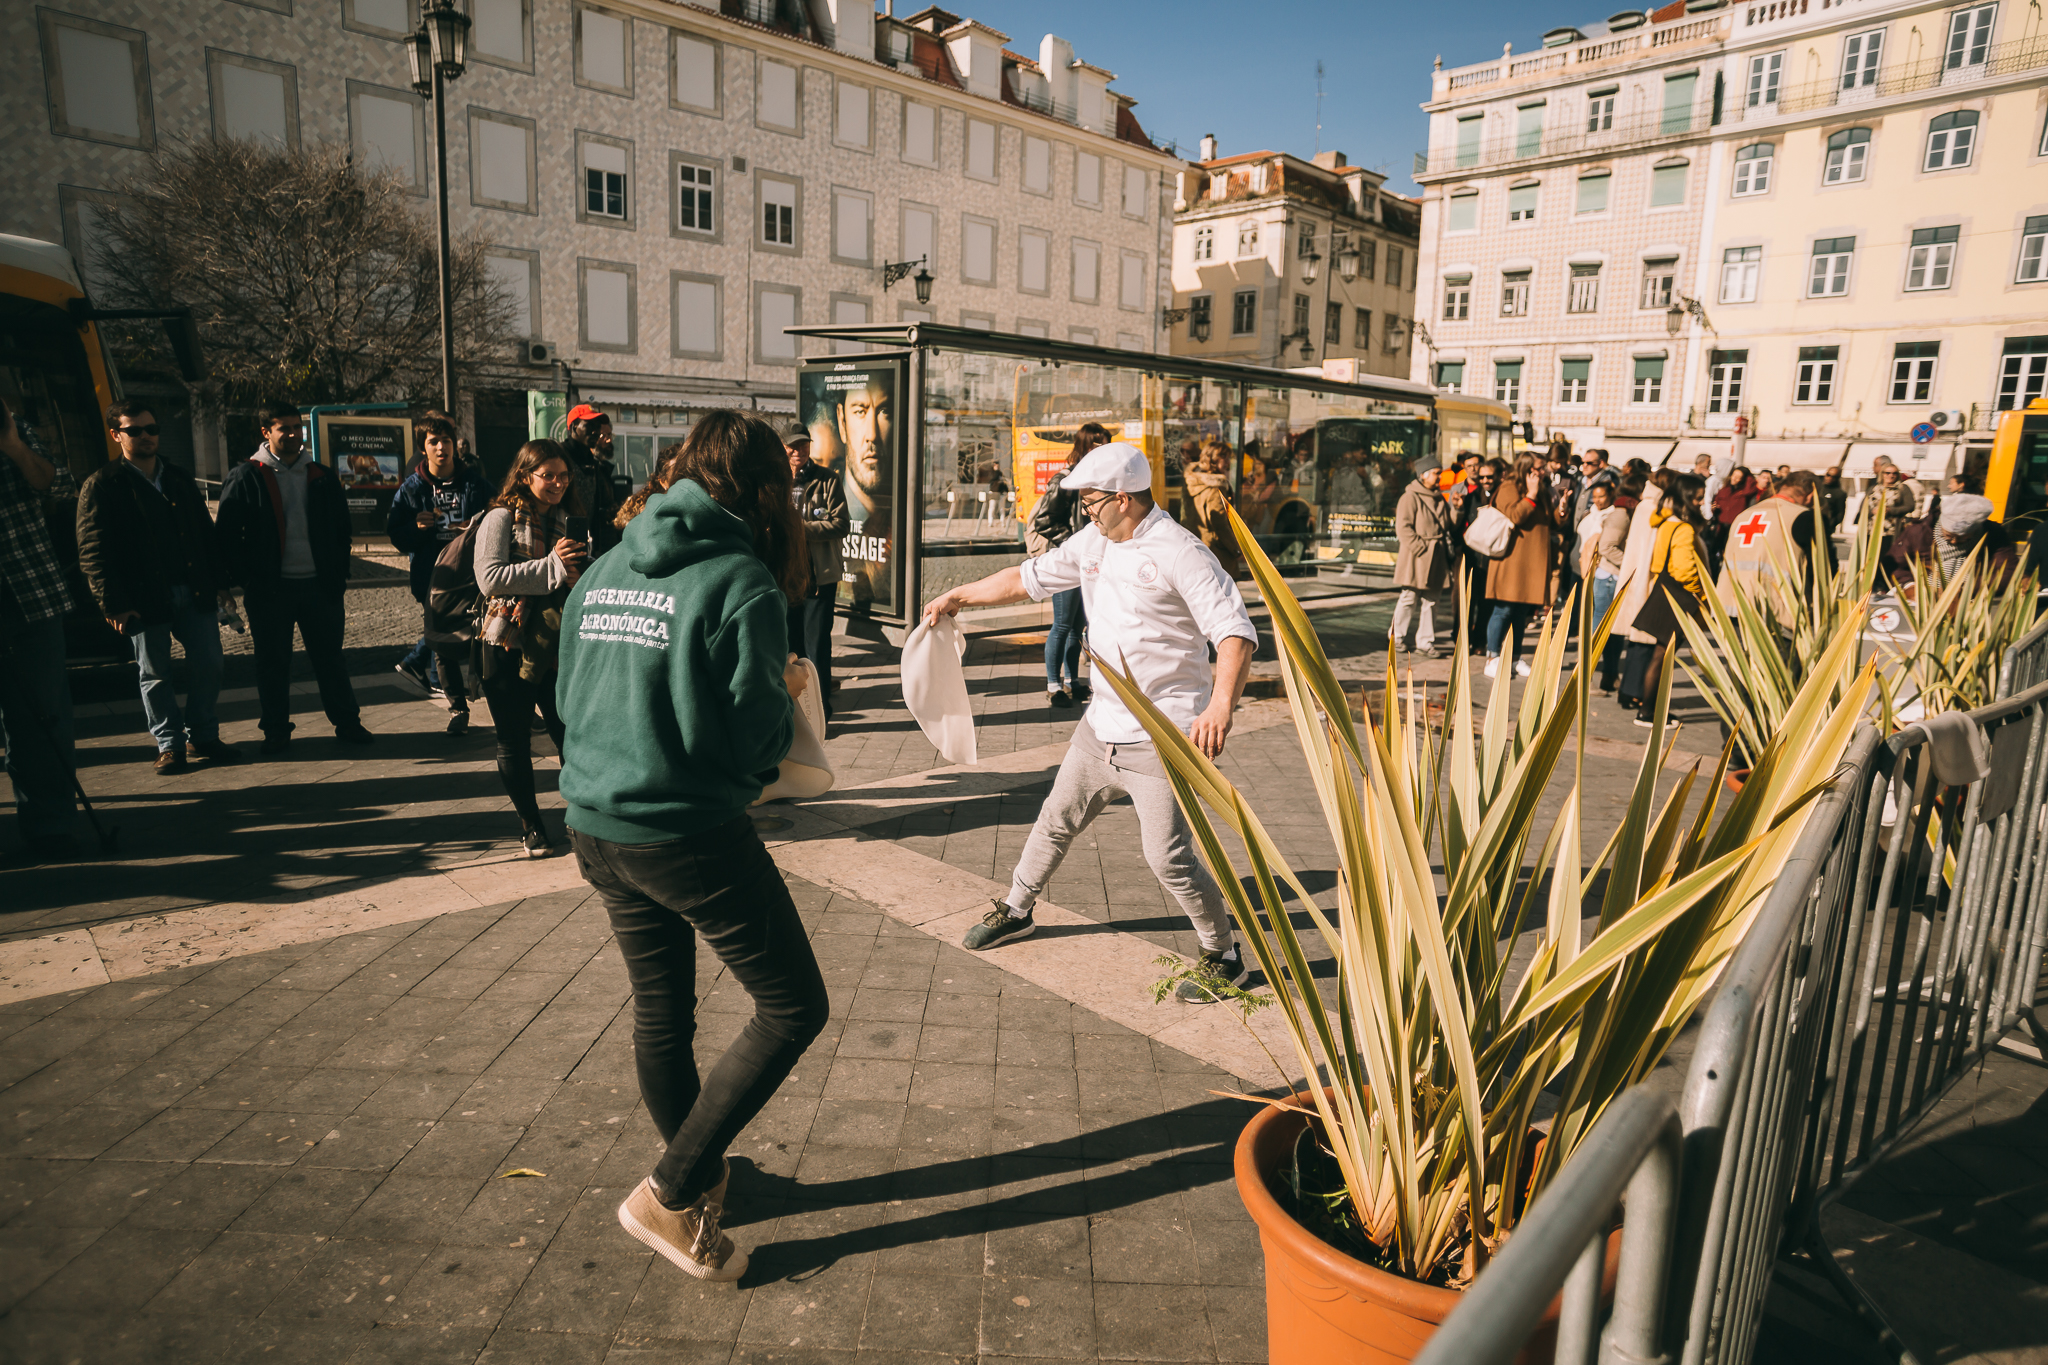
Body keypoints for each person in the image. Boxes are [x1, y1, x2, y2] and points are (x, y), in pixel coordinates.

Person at [554, 411, 827, 1283]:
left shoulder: (606, 562)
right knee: (793, 1006)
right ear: (764, 489)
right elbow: (755, 738)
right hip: (685, 830)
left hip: (594, 823)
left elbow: (565, 696)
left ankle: (699, 1168)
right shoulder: (739, 577)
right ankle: (669, 1193)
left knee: (662, 1012)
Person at [922, 441, 1258, 1002]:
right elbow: (1025, 578)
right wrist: (960, 595)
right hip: (1099, 725)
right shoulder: (1094, 541)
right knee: (1056, 817)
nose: (1082, 509)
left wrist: (1220, 706)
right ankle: (1017, 907)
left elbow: (1233, 632)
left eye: (1090, 500)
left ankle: (1224, 954)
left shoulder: (1181, 552)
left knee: (1167, 858)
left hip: (1162, 735)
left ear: (1123, 499)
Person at [77, 401, 241, 773]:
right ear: (116, 435)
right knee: (154, 674)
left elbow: (204, 534)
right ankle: (170, 744)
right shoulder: (103, 485)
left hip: (194, 591)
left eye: (152, 429)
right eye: (135, 430)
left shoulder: (179, 478)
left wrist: (221, 584)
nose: (146, 436)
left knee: (211, 665)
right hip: (144, 598)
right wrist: (112, 604)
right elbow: (93, 552)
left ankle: (203, 733)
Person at [217, 402, 372, 755]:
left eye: (296, 427)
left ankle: (347, 721)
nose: (292, 434)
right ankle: (275, 730)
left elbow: (341, 530)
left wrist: (337, 573)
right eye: (283, 428)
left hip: (320, 586)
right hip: (271, 589)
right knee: (273, 662)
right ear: (266, 433)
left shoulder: (321, 475)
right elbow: (226, 535)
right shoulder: (247, 475)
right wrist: (245, 578)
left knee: (330, 658)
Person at [473, 440, 589, 856]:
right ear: (526, 476)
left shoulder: (567, 520)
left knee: (569, 734)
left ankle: (583, 816)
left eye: (563, 476)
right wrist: (555, 567)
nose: (558, 484)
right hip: (507, 639)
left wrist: (580, 574)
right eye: (548, 476)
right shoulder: (500, 518)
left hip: (557, 642)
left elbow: (576, 578)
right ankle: (531, 824)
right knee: (513, 739)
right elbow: (489, 579)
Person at [0, 397, 81, 861]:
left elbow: (59, 485)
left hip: (30, 596)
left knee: (44, 718)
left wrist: (12, 445)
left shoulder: (14, 429)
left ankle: (50, 824)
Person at [388, 414, 492, 734]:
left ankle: (498, 696)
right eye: (433, 442)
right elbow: (395, 532)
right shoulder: (412, 487)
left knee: (487, 637)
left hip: (474, 577)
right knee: (441, 643)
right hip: (433, 578)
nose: (441, 447)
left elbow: (499, 514)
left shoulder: (474, 482)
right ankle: (458, 707)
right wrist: (415, 528)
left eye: (446, 440)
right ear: (424, 447)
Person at [1029, 423, 1111, 707]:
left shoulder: (1098, 481)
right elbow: (1044, 521)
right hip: (1067, 561)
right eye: (1097, 444)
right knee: (1062, 624)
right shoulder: (1065, 479)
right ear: (1084, 446)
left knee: (1079, 625)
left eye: (1106, 444)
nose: (1102, 449)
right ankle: (1053, 685)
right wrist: (1076, 544)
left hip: (1088, 564)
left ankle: (1072, 681)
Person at [1620, 474, 1711, 727]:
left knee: (1660, 655)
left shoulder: (1665, 523)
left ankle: (1649, 711)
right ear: (1687, 498)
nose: (1702, 502)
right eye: (1698, 497)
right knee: (1662, 657)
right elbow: (1685, 570)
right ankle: (1649, 713)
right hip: (1680, 596)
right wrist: (1700, 595)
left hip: (1665, 590)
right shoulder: (1682, 528)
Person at [785, 423, 847, 714]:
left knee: (818, 642)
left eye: (803, 445)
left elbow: (841, 523)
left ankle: (822, 709)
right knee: (791, 643)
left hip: (819, 574)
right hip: (786, 574)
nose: (799, 451)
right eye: (793, 446)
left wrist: (800, 528)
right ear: (784, 448)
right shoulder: (776, 480)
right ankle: (797, 704)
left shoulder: (827, 479)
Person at [1482, 453, 1557, 678]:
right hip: (1512, 561)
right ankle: (1493, 657)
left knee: (1521, 613)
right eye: (1538, 468)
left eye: (1543, 468)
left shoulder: (1542, 487)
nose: (1542, 472)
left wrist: (1560, 512)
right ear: (1526, 468)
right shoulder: (1509, 487)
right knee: (1503, 610)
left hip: (1532, 561)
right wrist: (1531, 495)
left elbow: (1547, 520)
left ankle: (1514, 657)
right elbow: (1514, 515)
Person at [1719, 468, 1818, 630]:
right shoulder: (1802, 516)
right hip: (1774, 611)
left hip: (1730, 606)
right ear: (1810, 496)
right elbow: (1821, 568)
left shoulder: (1745, 514)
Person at [1391, 457, 1455, 658]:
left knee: (1432, 601)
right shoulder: (1409, 497)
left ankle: (1425, 642)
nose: (1439, 477)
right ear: (1423, 474)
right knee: (1409, 598)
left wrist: (1458, 509)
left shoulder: (1439, 497)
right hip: (1416, 558)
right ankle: (1396, 637)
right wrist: (1421, 548)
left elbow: (1447, 525)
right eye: (1436, 472)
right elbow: (1403, 528)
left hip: (1436, 557)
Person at [1577, 480, 1630, 691]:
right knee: (1597, 627)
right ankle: (1586, 677)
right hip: (1598, 573)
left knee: (1609, 628)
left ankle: (1608, 673)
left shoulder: (1612, 515)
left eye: (1601, 496)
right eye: (1595, 496)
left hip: (1602, 573)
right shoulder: (1596, 514)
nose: (1597, 500)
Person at [561, 404, 624, 557]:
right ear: (574, 426)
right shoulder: (560, 455)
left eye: (597, 426)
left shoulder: (594, 463)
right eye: (589, 426)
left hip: (589, 543)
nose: (596, 431)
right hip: (562, 539)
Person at [1459, 458, 1502, 643]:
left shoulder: (1502, 496)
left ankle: (1480, 640)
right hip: (1472, 557)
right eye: (1482, 477)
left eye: (1489, 477)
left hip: (1493, 557)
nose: (1485, 480)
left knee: (1487, 602)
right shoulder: (1471, 496)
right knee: (1469, 600)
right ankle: (1463, 639)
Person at [1861, 460, 1918, 590]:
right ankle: (1869, 584)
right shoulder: (1873, 488)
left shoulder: (1903, 488)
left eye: (1894, 473)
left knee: (1886, 559)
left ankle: (1883, 585)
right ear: (1882, 474)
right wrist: (1871, 511)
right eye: (1887, 473)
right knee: (1869, 558)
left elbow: (1910, 506)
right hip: (1872, 529)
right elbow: (1863, 507)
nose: (1890, 476)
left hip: (1890, 531)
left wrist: (1891, 510)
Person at [1936, 472, 1995, 580]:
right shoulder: (1924, 531)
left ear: (1961, 484)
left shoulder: (1992, 535)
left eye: (1962, 537)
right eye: (1949, 535)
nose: (1954, 541)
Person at [1817, 466, 1847, 536]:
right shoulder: (1817, 487)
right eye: (1828, 475)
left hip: (1825, 528)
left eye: (1834, 477)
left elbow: (1840, 513)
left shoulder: (1839, 493)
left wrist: (1830, 525)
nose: (1830, 478)